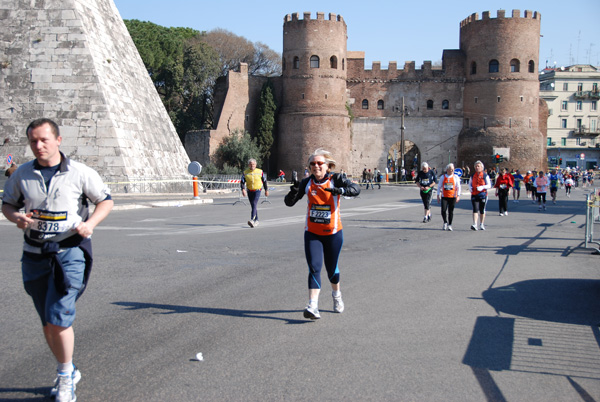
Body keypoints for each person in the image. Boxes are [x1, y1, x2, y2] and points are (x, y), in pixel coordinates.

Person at [1, 118, 113, 402]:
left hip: (69, 252)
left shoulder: (79, 173)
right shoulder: (22, 174)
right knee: (47, 323)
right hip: (34, 255)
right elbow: (8, 203)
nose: (38, 146)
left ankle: (65, 377)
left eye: (44, 140)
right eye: (33, 141)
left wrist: (91, 224)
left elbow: (105, 200)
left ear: (58, 140)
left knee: (59, 317)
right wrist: (16, 217)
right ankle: (70, 368)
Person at [284, 148, 360, 320]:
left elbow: (356, 189)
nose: (316, 166)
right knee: (314, 268)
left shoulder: (336, 179)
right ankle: (313, 306)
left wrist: (341, 191)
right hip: (312, 233)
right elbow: (289, 203)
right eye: (313, 164)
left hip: (333, 233)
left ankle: (336, 296)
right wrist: (294, 190)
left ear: (327, 166)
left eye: (319, 163)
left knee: (332, 269)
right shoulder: (307, 182)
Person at [241, 158, 269, 228]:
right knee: (253, 206)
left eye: (253, 164)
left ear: (256, 165)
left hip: (257, 190)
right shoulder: (245, 172)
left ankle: (252, 220)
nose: (252, 165)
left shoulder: (260, 171)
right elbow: (242, 181)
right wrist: (243, 189)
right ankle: (257, 220)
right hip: (249, 191)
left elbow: (264, 181)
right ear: (248, 165)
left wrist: (266, 190)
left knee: (254, 203)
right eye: (250, 164)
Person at [436, 163, 461, 231]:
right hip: (444, 196)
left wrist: (458, 195)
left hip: (452, 196)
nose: (451, 171)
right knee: (443, 210)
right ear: (447, 170)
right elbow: (439, 187)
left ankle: (450, 224)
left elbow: (458, 187)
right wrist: (438, 195)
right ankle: (445, 222)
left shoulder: (456, 177)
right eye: (450, 170)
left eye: (453, 170)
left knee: (451, 211)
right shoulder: (443, 177)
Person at [469, 160, 491, 231]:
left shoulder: (485, 175)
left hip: (483, 195)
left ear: (482, 167)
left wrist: (482, 187)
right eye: (476, 166)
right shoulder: (472, 176)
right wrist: (470, 188)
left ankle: (481, 223)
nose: (477, 167)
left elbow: (489, 185)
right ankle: (475, 224)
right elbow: (470, 183)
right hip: (474, 194)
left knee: (482, 210)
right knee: (475, 209)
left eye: (478, 166)